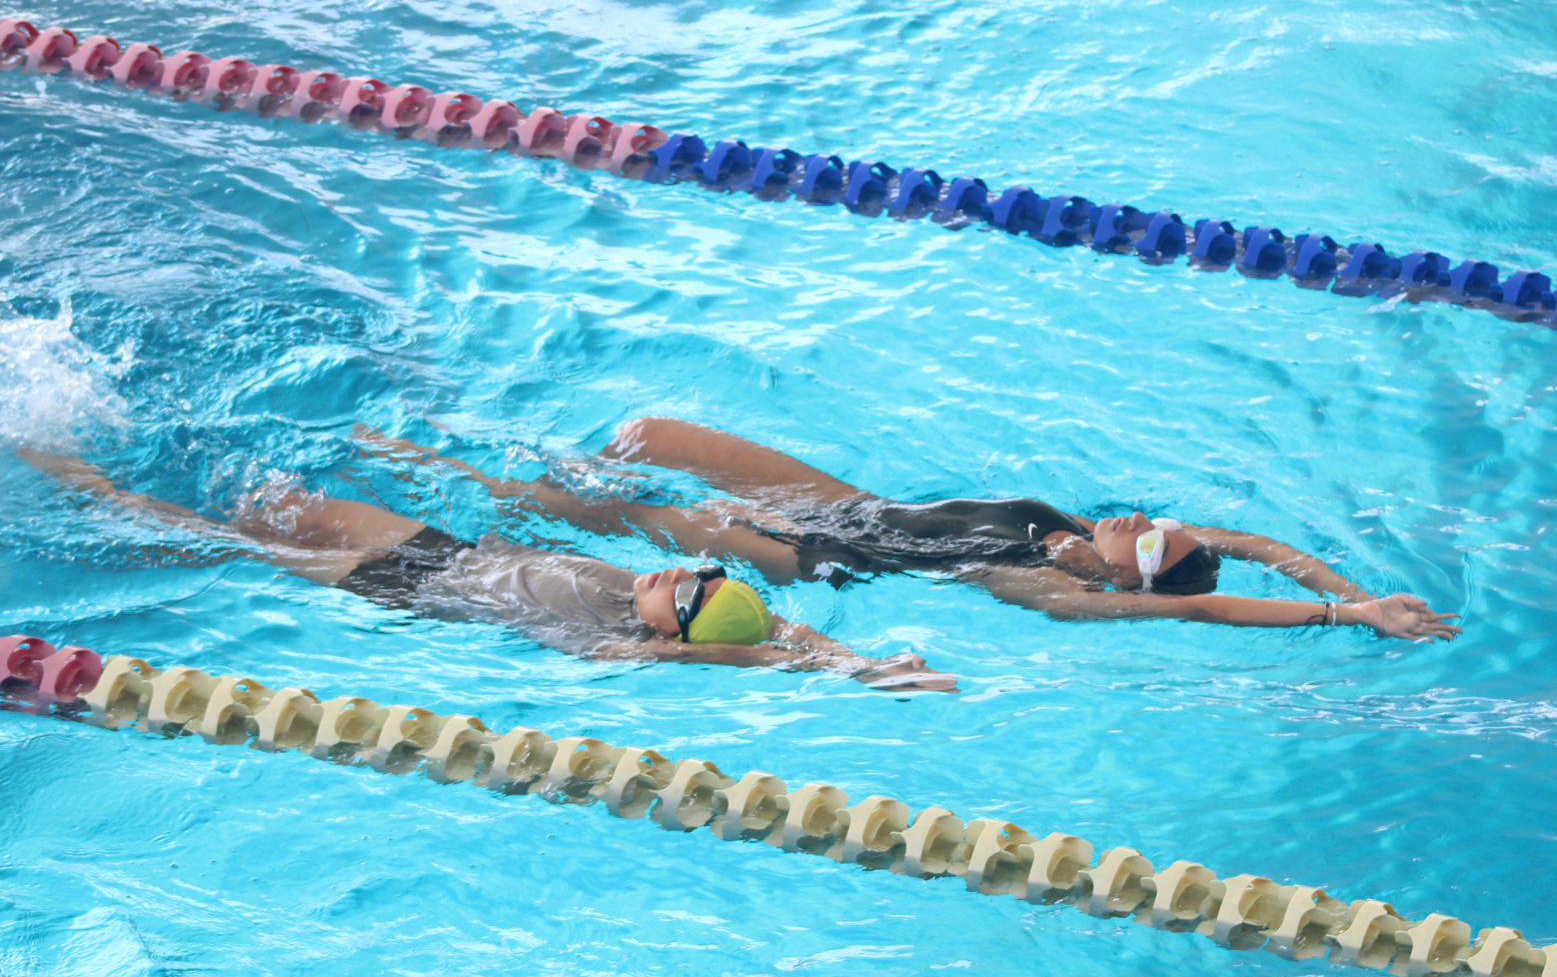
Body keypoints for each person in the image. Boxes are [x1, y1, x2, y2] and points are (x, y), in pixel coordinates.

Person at [355, 419, 1461, 643]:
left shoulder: (1054, 589)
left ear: (1134, 582)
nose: (1148, 520)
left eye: (1151, 541)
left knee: (617, 510)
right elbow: (1249, 549)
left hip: (811, 553)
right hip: (845, 498)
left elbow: (1222, 594)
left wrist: (1337, 618)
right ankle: (472, 453)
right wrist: (1355, 588)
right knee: (650, 434)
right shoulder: (1081, 530)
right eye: (1161, 522)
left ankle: (427, 470)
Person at [18, 447, 958, 692]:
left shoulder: (618, 647)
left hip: (409, 590)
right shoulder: (649, 604)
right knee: (268, 499)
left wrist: (776, 661)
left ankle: (76, 480)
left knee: (192, 533)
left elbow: (740, 652)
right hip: (445, 551)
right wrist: (858, 663)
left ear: (672, 634)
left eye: (688, 592)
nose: (683, 574)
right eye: (700, 574)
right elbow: (780, 632)